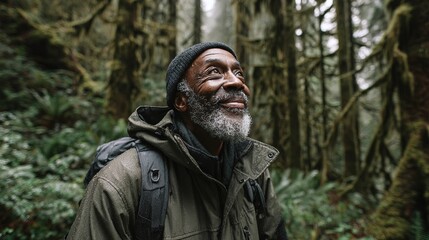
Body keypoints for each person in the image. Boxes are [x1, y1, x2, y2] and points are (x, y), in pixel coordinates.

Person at [67, 42, 287, 239]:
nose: (236, 82)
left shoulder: (252, 173)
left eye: (239, 73)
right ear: (181, 101)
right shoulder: (121, 182)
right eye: (214, 72)